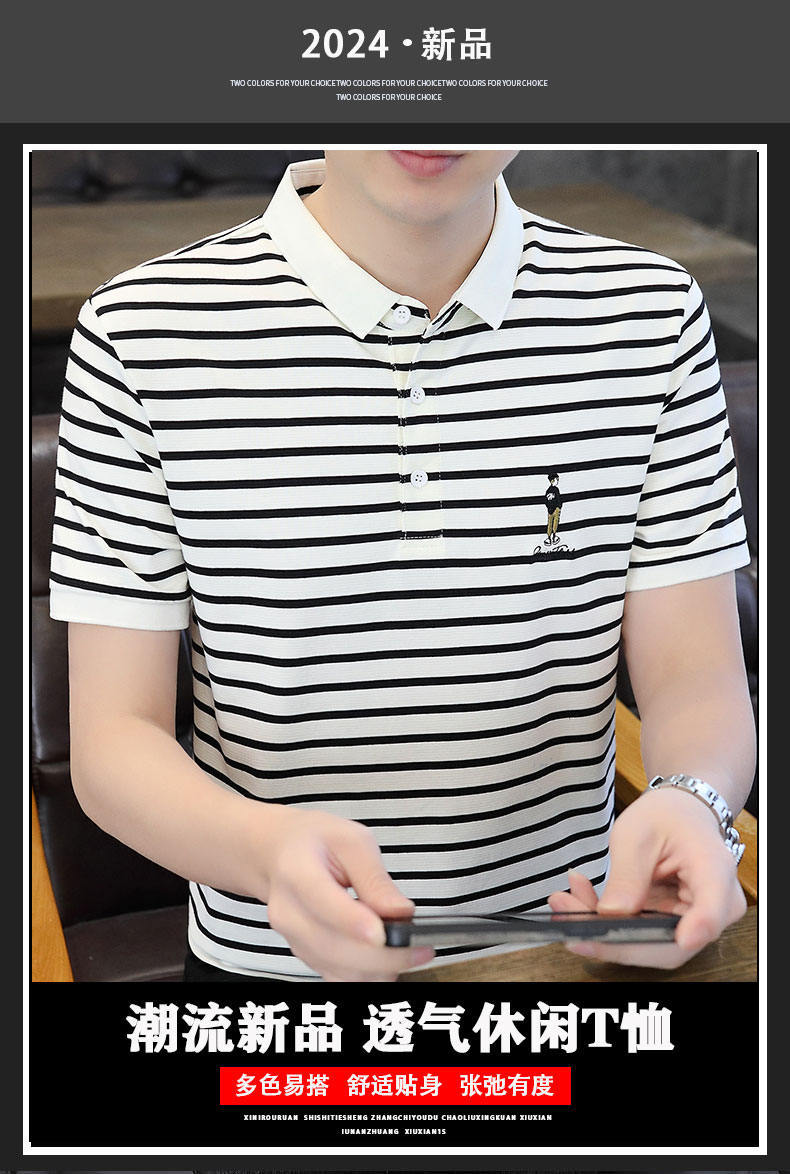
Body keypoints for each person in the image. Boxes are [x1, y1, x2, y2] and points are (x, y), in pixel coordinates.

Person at [50, 150, 755, 982]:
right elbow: (114, 740)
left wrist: (695, 801)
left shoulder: (651, 312)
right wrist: (264, 853)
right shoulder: (138, 330)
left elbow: (696, 677)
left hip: (582, 952)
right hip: (273, 969)